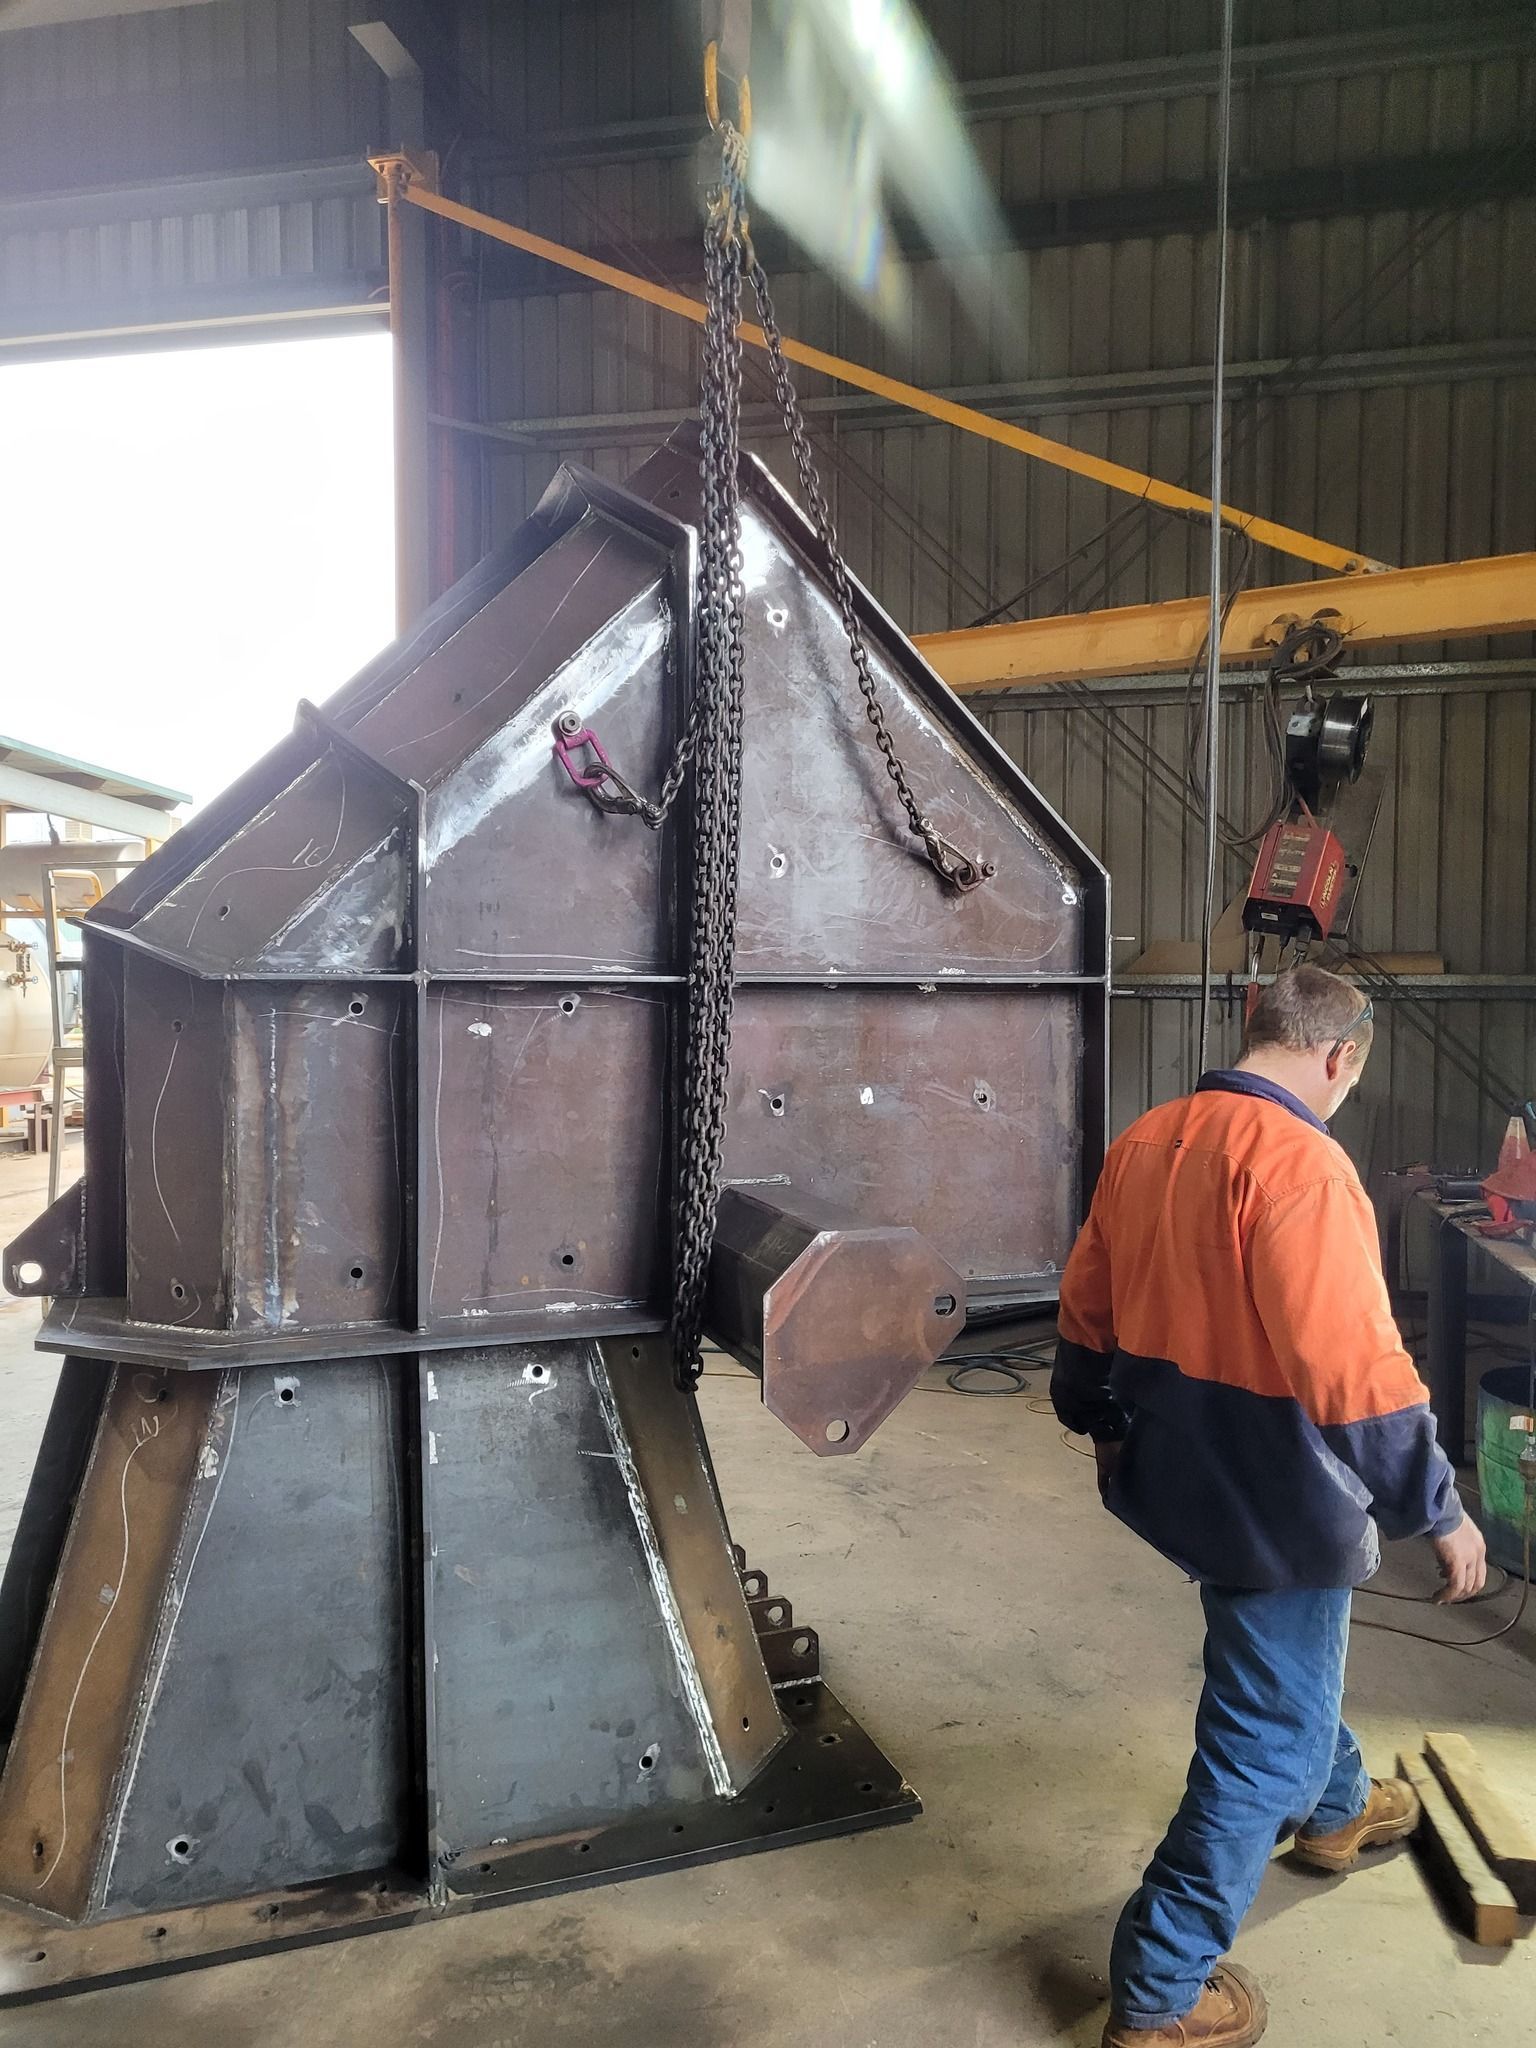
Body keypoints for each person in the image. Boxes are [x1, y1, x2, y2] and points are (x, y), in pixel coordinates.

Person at [1052, 965, 1487, 2048]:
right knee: (1260, 1740)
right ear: (1342, 1055)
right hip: (1278, 1499)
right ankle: (1156, 1991)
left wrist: (1095, 1419)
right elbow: (1355, 1371)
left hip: (1176, 1474)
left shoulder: (1149, 1136)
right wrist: (1439, 1505)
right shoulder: (1305, 1165)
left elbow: (1085, 1306)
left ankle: (1338, 1814)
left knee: (1276, 1667)